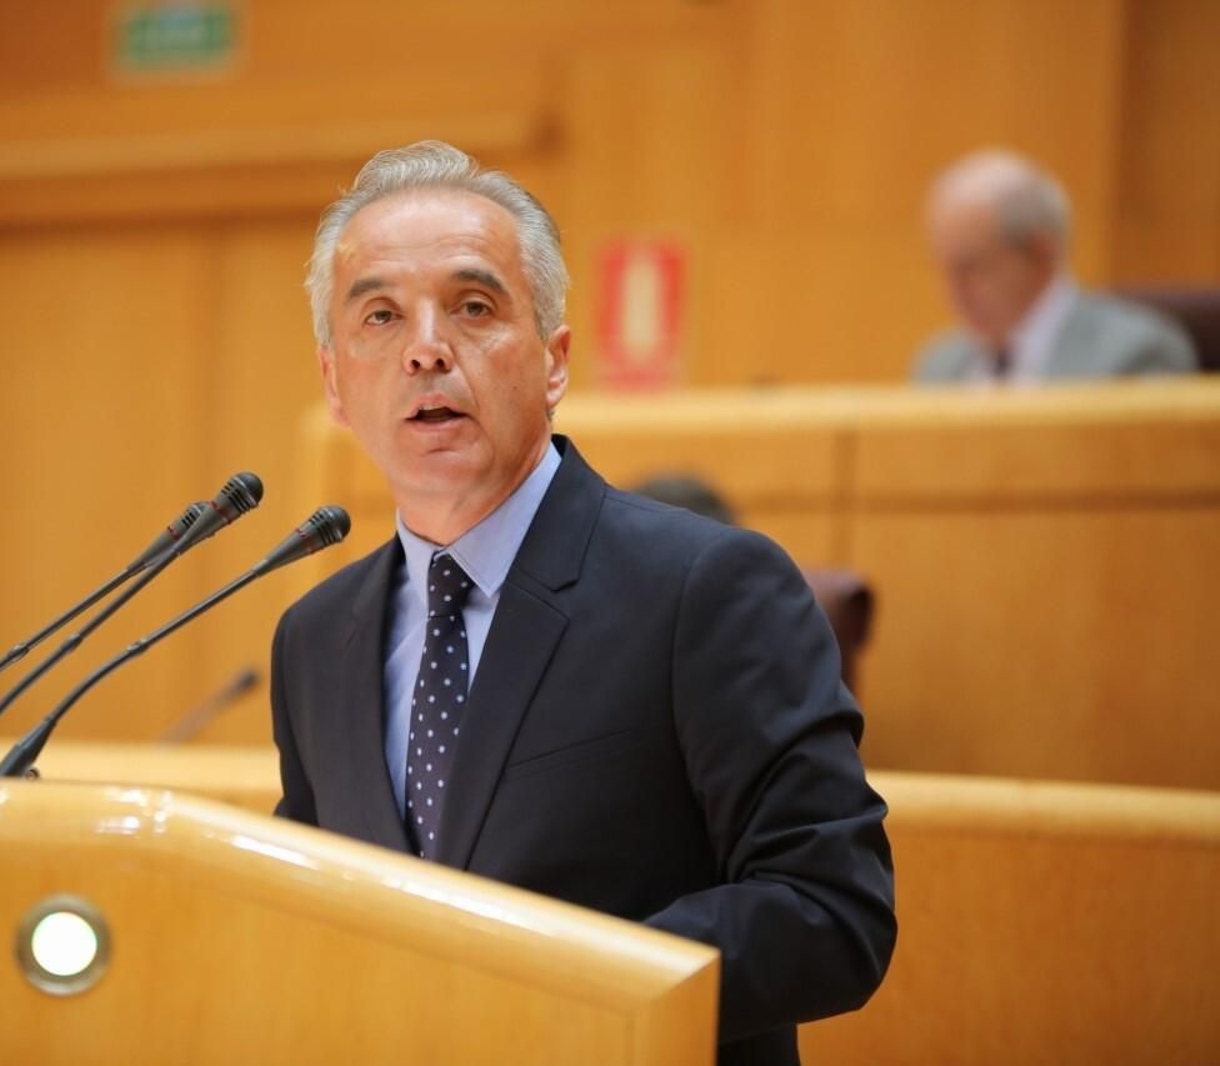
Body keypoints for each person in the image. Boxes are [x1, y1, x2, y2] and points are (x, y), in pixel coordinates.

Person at [271, 141, 895, 1065]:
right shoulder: (316, 637)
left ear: (554, 362)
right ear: (334, 382)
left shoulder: (706, 587)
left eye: (473, 307)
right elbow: (311, 920)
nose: (427, 348)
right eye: (381, 316)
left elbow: (831, 908)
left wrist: (557, 1000)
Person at [913, 149, 1197, 384]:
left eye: (972, 268)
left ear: (1040, 253)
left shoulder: (1135, 355)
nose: (954, 292)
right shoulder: (939, 366)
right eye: (946, 271)